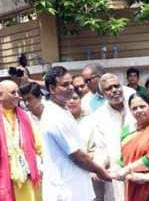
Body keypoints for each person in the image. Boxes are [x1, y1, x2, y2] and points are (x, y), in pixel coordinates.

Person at [41, 66, 111, 201]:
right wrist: (100, 171)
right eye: (64, 85)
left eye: (70, 83)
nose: (71, 88)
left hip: (76, 187)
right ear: (51, 88)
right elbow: (77, 156)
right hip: (65, 191)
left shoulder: (63, 109)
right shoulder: (54, 115)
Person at [91, 73, 135, 201]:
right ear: (103, 94)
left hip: (138, 168)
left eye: (117, 86)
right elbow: (101, 147)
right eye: (109, 88)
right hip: (116, 172)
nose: (114, 90)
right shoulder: (99, 116)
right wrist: (98, 167)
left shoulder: (135, 106)